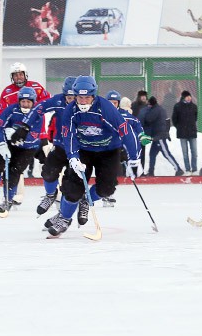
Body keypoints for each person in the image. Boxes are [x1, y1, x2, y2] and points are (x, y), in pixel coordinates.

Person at [44, 76, 142, 237]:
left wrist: (134, 159)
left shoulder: (106, 108)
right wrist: (73, 157)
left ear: (93, 96)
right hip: (84, 151)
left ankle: (86, 199)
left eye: (87, 97)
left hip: (108, 151)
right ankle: (64, 218)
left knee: (107, 188)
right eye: (79, 97)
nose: (83, 101)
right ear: (75, 96)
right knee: (72, 188)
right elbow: (68, 135)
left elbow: (126, 131)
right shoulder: (71, 110)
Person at [10, 76, 77, 217]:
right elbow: (38, 109)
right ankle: (50, 195)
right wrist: (25, 127)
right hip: (60, 145)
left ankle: (64, 215)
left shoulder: (87, 106)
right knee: (48, 171)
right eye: (68, 97)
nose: (71, 101)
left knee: (71, 184)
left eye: (74, 97)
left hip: (78, 148)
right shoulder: (58, 101)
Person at [0, 87, 42, 216]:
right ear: (19, 101)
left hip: (27, 148)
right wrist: (2, 144)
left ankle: (7, 200)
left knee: (14, 171)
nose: (25, 104)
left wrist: (17, 137)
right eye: (23, 101)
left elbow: (34, 136)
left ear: (33, 102)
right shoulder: (11, 110)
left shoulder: (38, 115)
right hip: (8, 143)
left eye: (28, 102)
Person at [141, 96, 184, 176]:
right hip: (158, 136)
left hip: (159, 136)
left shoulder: (155, 110)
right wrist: (167, 133)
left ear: (151, 104)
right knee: (152, 154)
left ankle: (178, 169)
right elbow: (167, 120)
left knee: (166, 153)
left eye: (149, 104)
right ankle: (151, 171)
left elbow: (148, 119)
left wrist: (145, 111)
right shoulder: (160, 109)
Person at [172, 90, 198, 174]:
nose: (189, 98)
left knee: (194, 152)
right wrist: (179, 127)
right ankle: (187, 169)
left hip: (192, 132)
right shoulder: (177, 106)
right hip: (182, 133)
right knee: (185, 153)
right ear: (183, 97)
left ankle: (194, 169)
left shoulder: (194, 106)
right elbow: (174, 119)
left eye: (190, 96)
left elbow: (195, 117)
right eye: (187, 96)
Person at [131, 90, 149, 168]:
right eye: (142, 96)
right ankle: (135, 168)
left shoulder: (148, 106)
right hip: (135, 131)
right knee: (135, 151)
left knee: (143, 151)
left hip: (144, 132)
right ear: (139, 97)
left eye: (145, 96)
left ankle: (141, 168)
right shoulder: (134, 105)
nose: (144, 98)